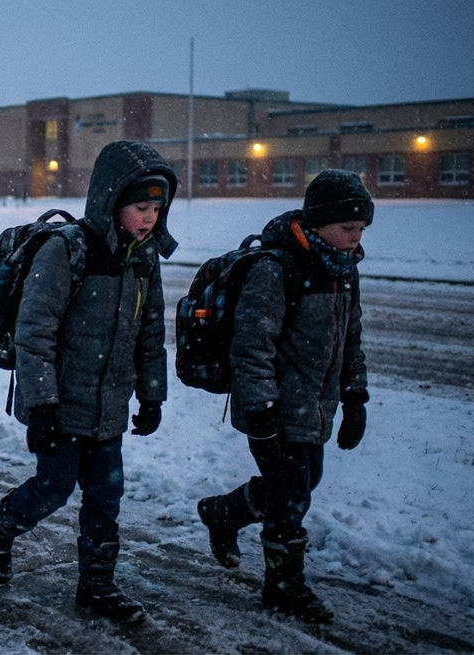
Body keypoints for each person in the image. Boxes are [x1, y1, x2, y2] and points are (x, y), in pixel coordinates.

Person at [0, 141, 177, 624]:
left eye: (156, 208)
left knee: (107, 496)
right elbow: (34, 331)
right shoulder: (68, 250)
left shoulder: (144, 260)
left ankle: (97, 585)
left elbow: (150, 334)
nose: (149, 218)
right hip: (61, 404)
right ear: (111, 201)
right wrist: (42, 406)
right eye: (139, 207)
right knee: (53, 488)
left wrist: (151, 395)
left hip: (108, 405)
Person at [195, 169, 372, 624]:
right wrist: (261, 411)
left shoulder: (343, 273)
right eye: (347, 228)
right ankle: (283, 585)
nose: (354, 239)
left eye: (361, 230)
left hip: (315, 408)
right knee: (292, 496)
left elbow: (350, 340)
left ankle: (224, 513)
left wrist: (355, 398)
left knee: (298, 484)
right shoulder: (278, 269)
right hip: (274, 408)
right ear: (317, 223)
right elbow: (251, 346)